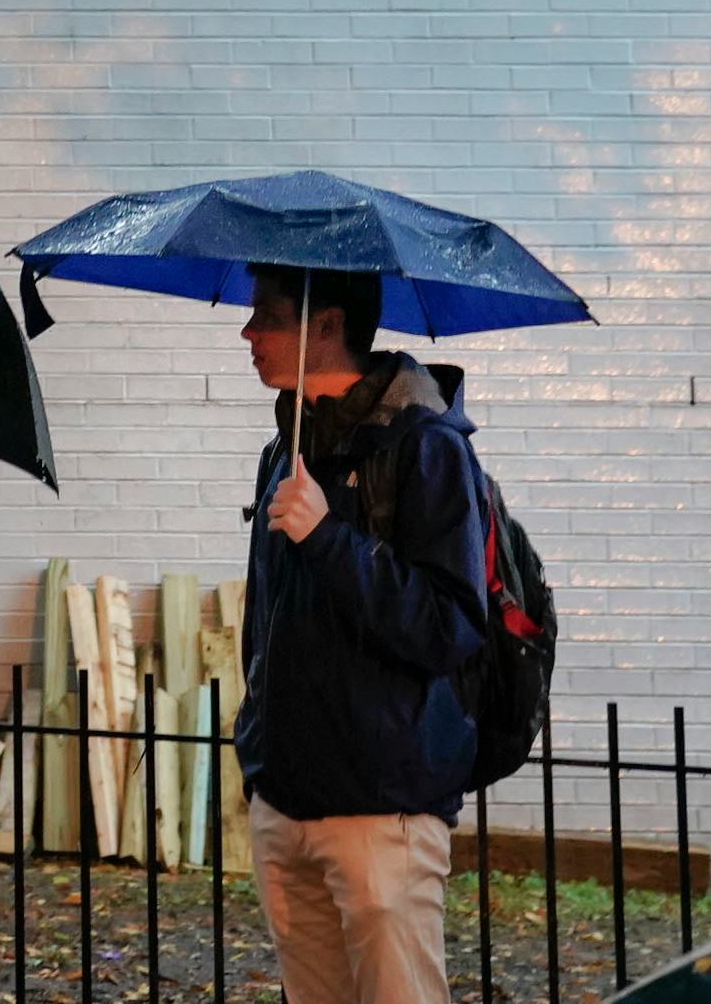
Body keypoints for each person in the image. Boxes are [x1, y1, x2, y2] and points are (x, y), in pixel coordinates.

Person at [234, 262, 488, 1004]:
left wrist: (328, 539)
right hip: (285, 800)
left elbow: (450, 625)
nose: (248, 333)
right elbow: (267, 619)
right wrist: (258, 753)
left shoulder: (426, 447)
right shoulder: (283, 453)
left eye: (268, 315)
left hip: (383, 808)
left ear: (326, 325)